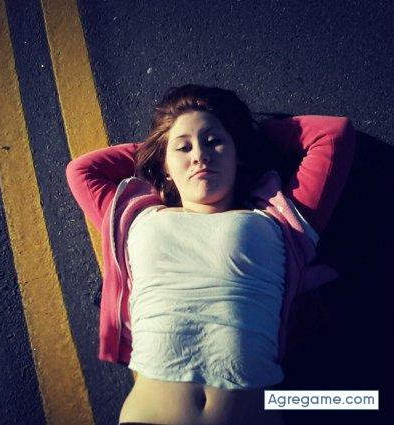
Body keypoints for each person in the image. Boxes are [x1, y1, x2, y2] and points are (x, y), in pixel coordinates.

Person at [65, 84, 356, 425]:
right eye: (184, 147)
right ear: (165, 165)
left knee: (363, 403)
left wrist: (247, 135)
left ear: (238, 154)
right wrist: (161, 147)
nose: (200, 155)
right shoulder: (136, 218)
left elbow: (332, 134)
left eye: (214, 141)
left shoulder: (281, 220)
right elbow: (82, 171)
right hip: (150, 417)